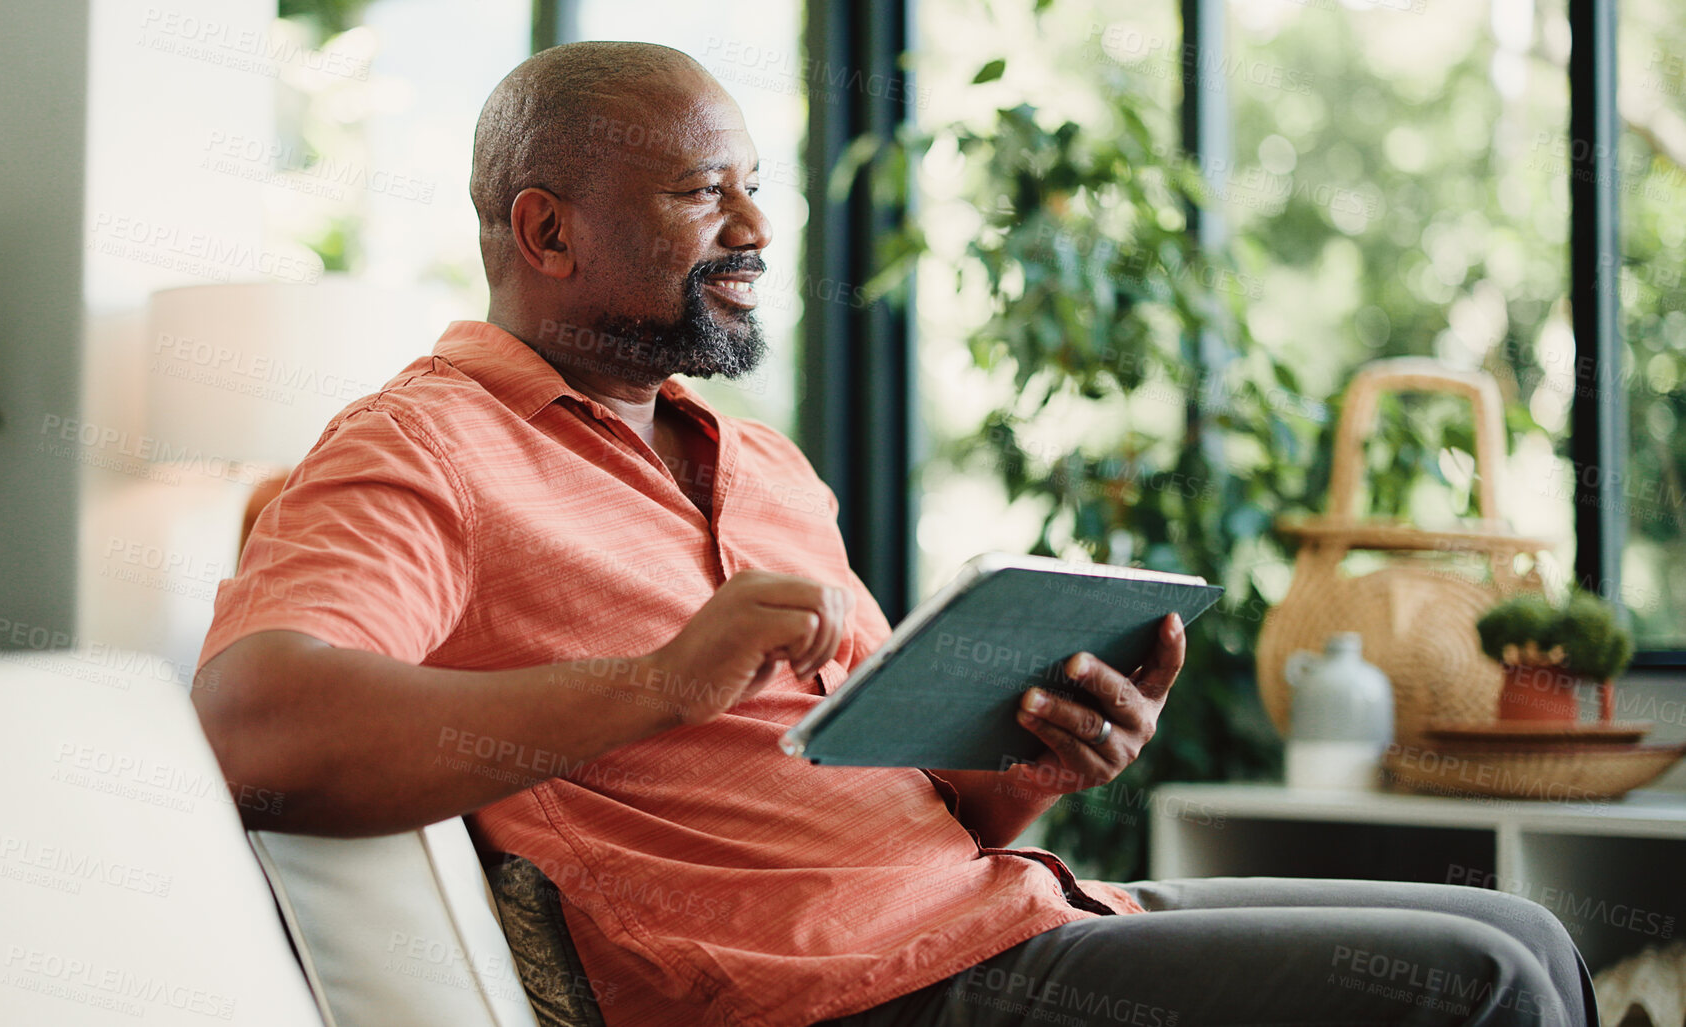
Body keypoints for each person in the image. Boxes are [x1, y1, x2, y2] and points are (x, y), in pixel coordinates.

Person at [192, 41, 1596, 1027]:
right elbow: (256, 721)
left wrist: (1039, 761)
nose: (755, 224)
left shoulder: (761, 463)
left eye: (752, 181)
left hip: (991, 905)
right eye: (701, 193)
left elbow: (909, 789)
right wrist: (661, 686)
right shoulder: (425, 444)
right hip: (833, 990)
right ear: (545, 232)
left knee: (1525, 930)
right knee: (1480, 989)